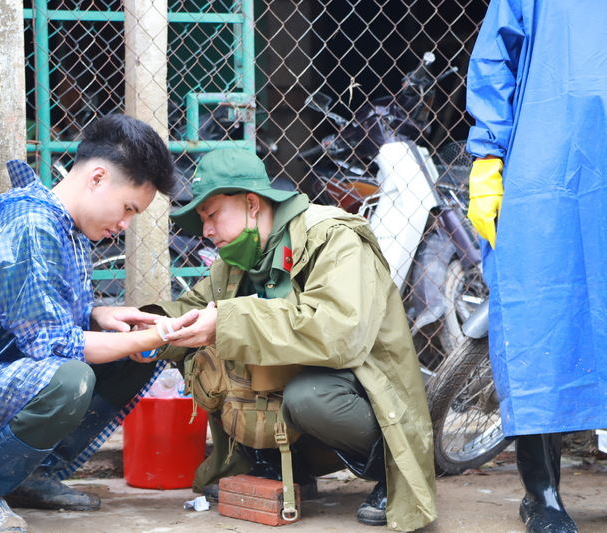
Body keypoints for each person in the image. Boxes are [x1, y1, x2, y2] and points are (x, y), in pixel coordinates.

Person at [0, 114, 197, 533]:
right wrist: (162, 332)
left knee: (134, 354)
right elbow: (54, 348)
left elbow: (31, 318)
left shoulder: (65, 228)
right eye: (128, 209)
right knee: (70, 378)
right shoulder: (33, 226)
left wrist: (100, 314)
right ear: (98, 178)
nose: (125, 224)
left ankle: (29, 475)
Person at [147, 148, 437, 531]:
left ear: (252, 204)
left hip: (354, 390)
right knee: (209, 359)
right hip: (301, 404)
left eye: (212, 215)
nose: (206, 232)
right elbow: (190, 309)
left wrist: (228, 323)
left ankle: (390, 470)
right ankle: (288, 466)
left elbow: (339, 334)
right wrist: (145, 328)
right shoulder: (237, 259)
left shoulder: (333, 237)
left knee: (307, 395)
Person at [465, 3, 607, 533]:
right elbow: (494, 57)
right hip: (552, 158)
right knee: (542, 310)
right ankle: (541, 492)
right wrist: (488, 154)